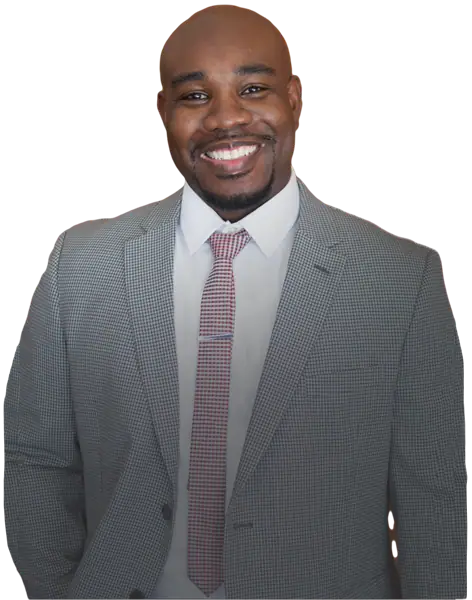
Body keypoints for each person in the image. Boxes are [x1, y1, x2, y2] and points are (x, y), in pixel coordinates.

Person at [3, 5, 466, 600]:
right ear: (163, 112)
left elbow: (436, 501)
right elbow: (35, 459)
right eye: (195, 96)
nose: (226, 118)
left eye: (253, 89)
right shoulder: (81, 267)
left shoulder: (400, 282)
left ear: (294, 98)